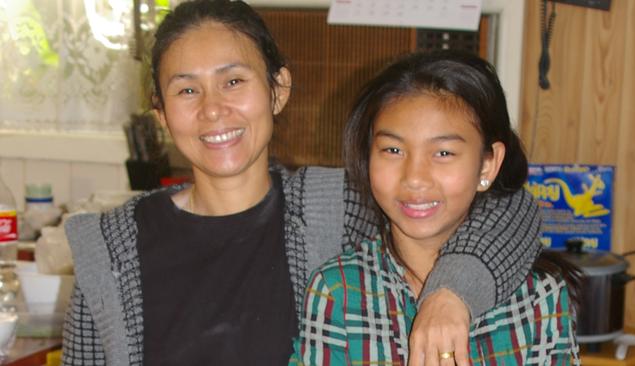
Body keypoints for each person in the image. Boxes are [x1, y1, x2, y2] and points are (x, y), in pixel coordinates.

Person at [61, 1, 543, 365]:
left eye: (233, 82)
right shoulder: (110, 249)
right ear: (161, 114)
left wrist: (451, 292)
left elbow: (509, 208)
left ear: (278, 90)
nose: (212, 109)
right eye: (187, 90)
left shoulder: (334, 206)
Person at [291, 50, 581, 365]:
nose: (414, 178)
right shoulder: (337, 291)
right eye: (392, 149)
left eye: (443, 153)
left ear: (488, 164)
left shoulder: (538, 296)